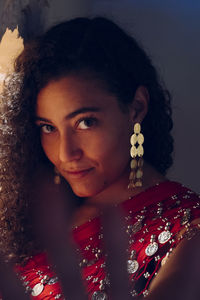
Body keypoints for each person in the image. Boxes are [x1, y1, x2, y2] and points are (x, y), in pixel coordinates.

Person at [0, 17, 200, 300]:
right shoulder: (27, 220)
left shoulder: (189, 232)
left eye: (85, 122)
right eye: (48, 128)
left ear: (136, 108)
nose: (65, 153)